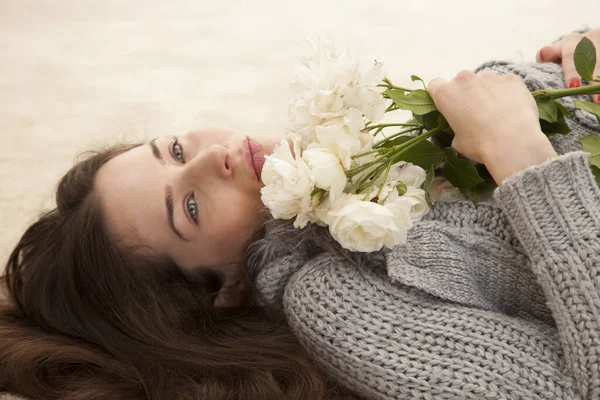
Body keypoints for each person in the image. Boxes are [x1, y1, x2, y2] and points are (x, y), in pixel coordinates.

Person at [1, 28, 599, 399]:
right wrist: (519, 157)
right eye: (189, 205)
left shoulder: (351, 139)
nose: (215, 157)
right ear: (227, 288)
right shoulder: (336, 303)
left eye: (176, 149)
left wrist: (573, 67)